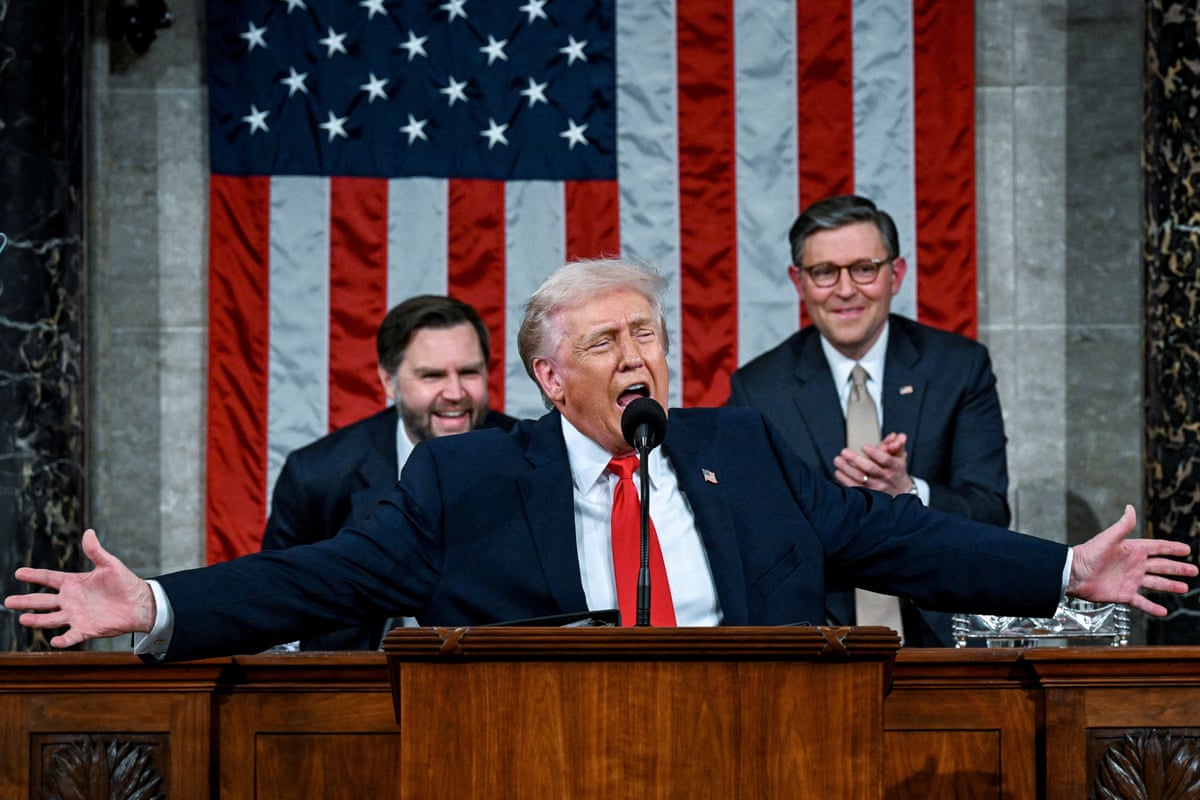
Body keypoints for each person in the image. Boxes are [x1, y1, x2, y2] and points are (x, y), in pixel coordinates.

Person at [5, 259, 1195, 663]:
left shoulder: (745, 447)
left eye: (650, 334)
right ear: (548, 375)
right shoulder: (468, 479)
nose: (639, 355)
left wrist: (1059, 571)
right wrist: (157, 601)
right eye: (607, 340)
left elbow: (900, 539)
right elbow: (317, 579)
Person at [729, 194, 1006, 646]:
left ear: (895, 274)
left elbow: (991, 511)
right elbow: (749, 535)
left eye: (864, 268)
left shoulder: (958, 368)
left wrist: (908, 493)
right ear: (798, 281)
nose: (844, 290)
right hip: (816, 640)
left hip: (942, 637)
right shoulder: (758, 389)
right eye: (824, 272)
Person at [261, 294, 518, 650]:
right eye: (432, 375)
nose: (455, 392)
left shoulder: (530, 458)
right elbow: (275, 601)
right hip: (355, 685)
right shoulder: (317, 475)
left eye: (469, 372)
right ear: (388, 381)